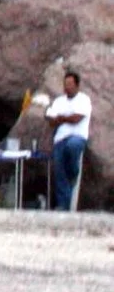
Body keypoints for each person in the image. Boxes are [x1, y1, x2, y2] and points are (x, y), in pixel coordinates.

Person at [46, 69, 92, 212]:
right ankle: (63, 206)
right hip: (60, 138)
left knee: (72, 147)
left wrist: (61, 118)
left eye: (70, 84)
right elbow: (51, 120)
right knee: (59, 170)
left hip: (77, 136)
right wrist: (60, 118)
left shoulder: (84, 99)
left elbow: (77, 118)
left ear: (77, 86)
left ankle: (74, 172)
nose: (67, 87)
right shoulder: (59, 101)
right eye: (65, 84)